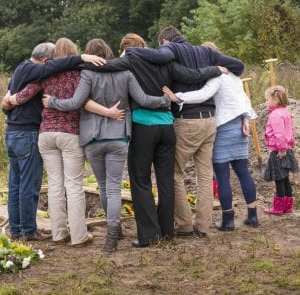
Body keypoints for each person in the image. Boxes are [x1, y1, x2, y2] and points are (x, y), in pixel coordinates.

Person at [84, 33, 227, 247]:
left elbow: (104, 67)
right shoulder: (167, 61)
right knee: (165, 180)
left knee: (140, 181)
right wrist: (216, 69)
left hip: (143, 127)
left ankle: (150, 236)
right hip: (167, 127)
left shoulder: (130, 60)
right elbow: (192, 75)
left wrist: (80, 59)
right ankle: (167, 232)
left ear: (128, 49)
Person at [42, 38, 173, 252]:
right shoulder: (125, 74)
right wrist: (164, 101)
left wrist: (52, 102)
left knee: (103, 186)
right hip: (119, 136)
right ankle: (113, 232)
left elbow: (75, 103)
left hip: (93, 138)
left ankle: (115, 230)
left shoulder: (87, 74)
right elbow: (143, 99)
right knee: (114, 186)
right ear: (109, 52)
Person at [126, 26, 244, 237]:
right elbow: (238, 65)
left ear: (164, 41)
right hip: (209, 121)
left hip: (186, 120)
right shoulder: (207, 52)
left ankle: (185, 225)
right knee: (205, 175)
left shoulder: (171, 49)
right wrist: (217, 68)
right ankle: (203, 226)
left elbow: (157, 55)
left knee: (174, 174)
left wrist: (133, 51)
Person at [7, 38, 111, 246]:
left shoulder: (45, 74)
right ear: (73, 53)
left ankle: (58, 234)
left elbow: (22, 97)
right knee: (73, 185)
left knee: (54, 185)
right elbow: (86, 101)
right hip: (70, 133)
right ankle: (79, 236)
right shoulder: (80, 74)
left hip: (46, 135)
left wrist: (9, 100)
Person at [163, 61, 259, 231]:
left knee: (222, 176)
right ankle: (253, 216)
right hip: (239, 126)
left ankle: (228, 220)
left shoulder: (217, 76)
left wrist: (177, 97)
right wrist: (245, 117)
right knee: (243, 172)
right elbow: (244, 99)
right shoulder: (235, 77)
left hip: (223, 128)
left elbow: (203, 94)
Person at [263, 86, 298, 215]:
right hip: (287, 149)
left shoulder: (275, 115)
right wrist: (291, 143)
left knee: (279, 179)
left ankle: (278, 208)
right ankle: (287, 207)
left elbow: (279, 133)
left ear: (276, 99)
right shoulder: (285, 111)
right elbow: (291, 129)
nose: (266, 102)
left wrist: (281, 150)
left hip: (279, 151)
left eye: (267, 99)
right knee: (285, 178)